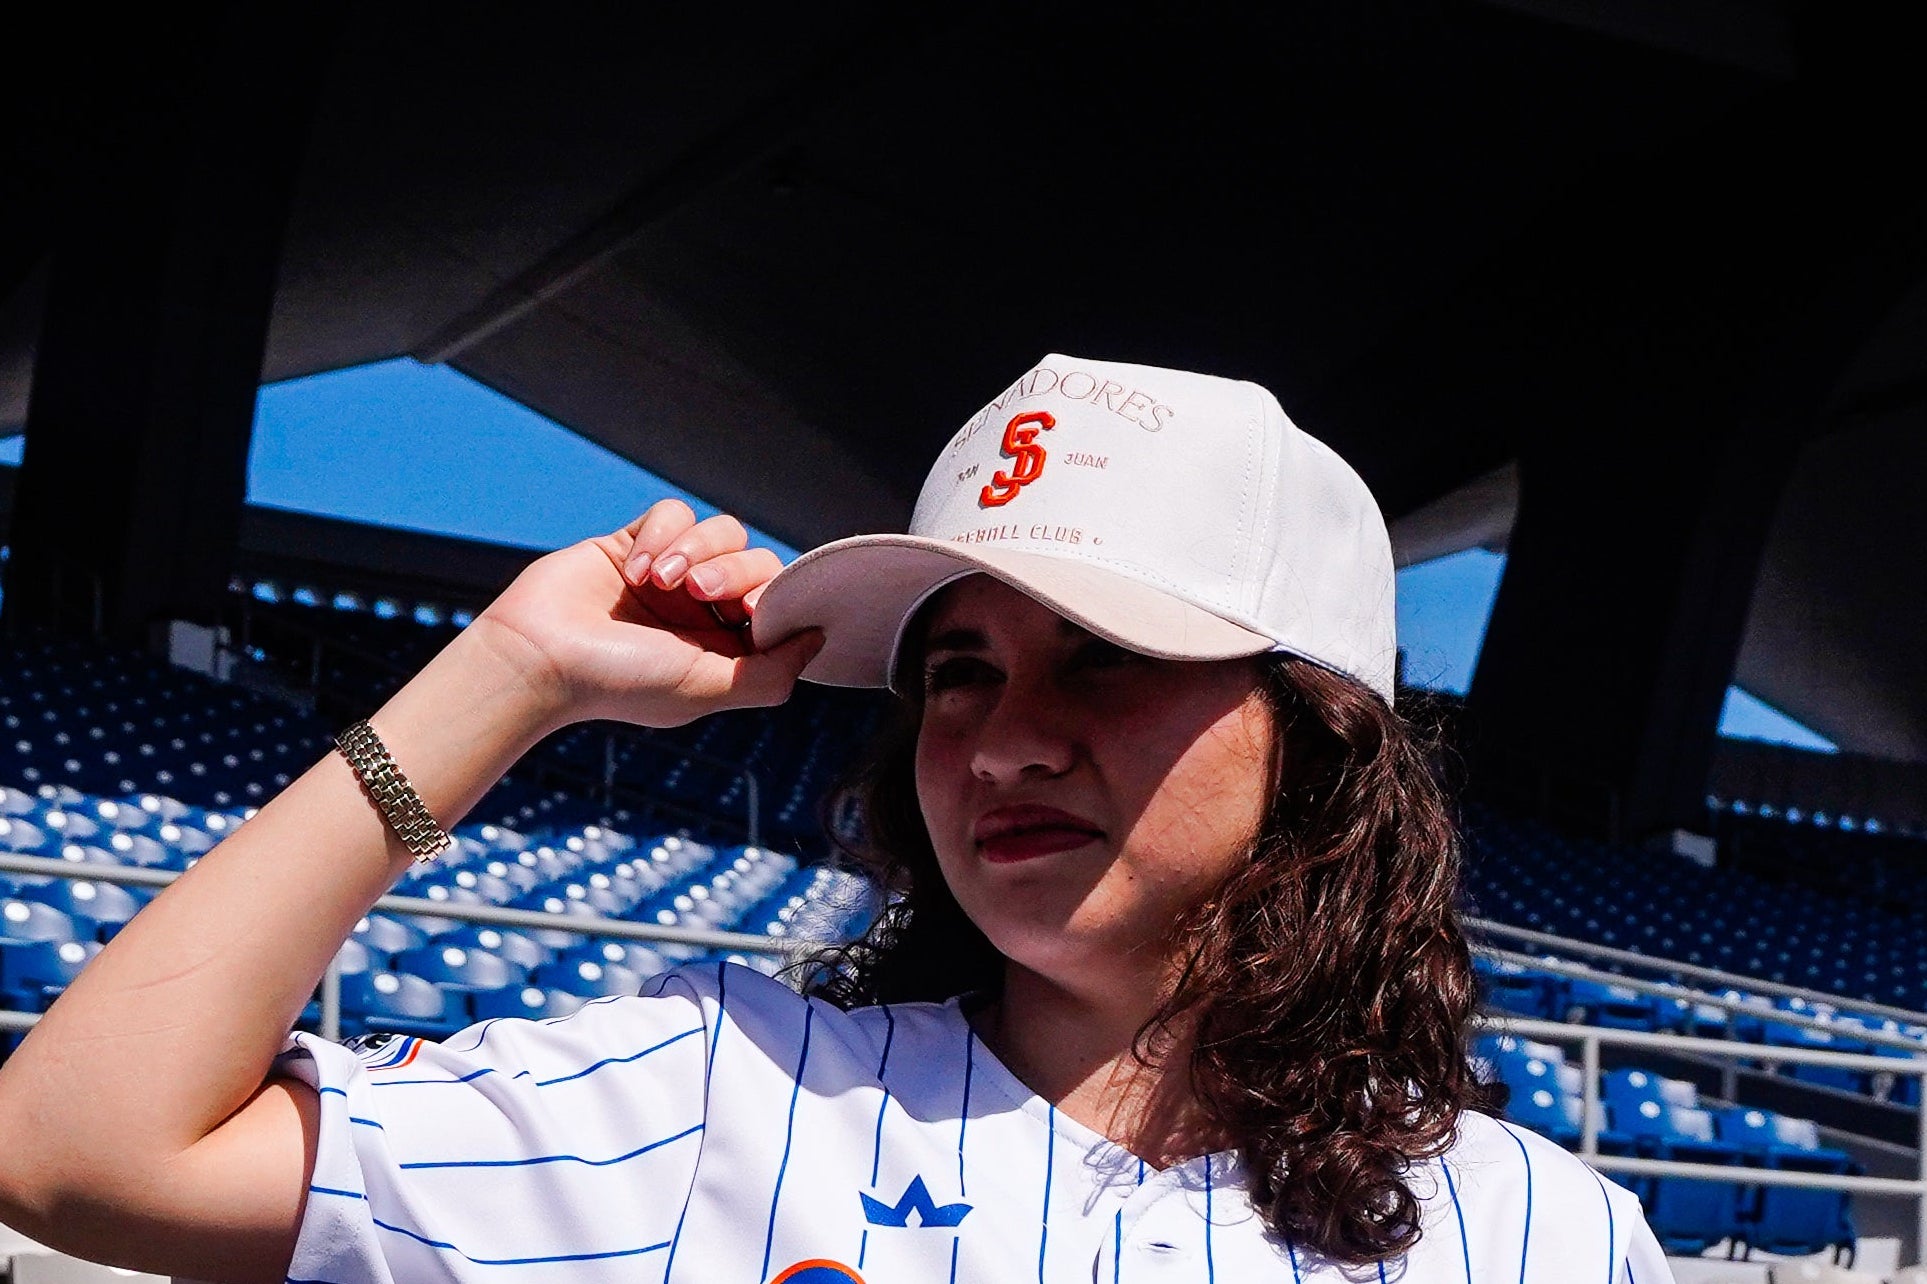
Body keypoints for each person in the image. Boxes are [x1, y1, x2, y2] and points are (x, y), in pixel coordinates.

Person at [0, 354, 1672, 1282]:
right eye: (957, 674)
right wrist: (509, 677)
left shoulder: (1545, 1234)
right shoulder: (716, 1097)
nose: (1005, 742)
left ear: (1315, 737)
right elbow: (76, 1150)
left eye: (1104, 656)